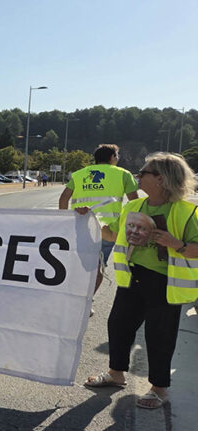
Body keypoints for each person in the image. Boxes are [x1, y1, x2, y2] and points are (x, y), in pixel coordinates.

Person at [83, 152, 198, 410]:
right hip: (133, 278)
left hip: (165, 282)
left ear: (161, 179)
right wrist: (89, 219)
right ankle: (116, 374)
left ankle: (159, 389)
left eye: (143, 172)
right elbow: (114, 236)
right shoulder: (133, 207)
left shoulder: (186, 212)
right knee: (118, 325)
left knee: (160, 336)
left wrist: (176, 244)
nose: (138, 176)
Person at [59, 144, 139, 296]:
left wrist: (66, 221)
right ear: (112, 157)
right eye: (117, 156)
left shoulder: (79, 174)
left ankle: (78, 298)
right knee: (96, 267)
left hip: (80, 228)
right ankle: (86, 300)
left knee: (81, 264)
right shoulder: (123, 174)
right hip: (107, 231)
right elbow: (134, 204)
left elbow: (64, 198)